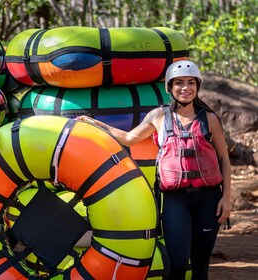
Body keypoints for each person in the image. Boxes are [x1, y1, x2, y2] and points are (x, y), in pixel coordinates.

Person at [77, 60, 231, 280]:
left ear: (198, 86)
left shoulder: (210, 119)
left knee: (200, 263)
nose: (185, 88)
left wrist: (226, 198)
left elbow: (224, 159)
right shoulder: (158, 117)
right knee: (177, 261)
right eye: (179, 83)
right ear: (170, 87)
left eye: (191, 83)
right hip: (174, 200)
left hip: (209, 199)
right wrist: (96, 124)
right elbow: (129, 138)